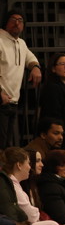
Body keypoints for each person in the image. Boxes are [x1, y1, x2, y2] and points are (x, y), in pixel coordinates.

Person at [0, 10, 43, 147]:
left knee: (7, 146)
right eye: (13, 19)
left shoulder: (21, 43)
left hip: (12, 101)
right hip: (2, 99)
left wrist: (35, 67)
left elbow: (30, 58)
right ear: (6, 22)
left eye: (20, 20)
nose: (17, 23)